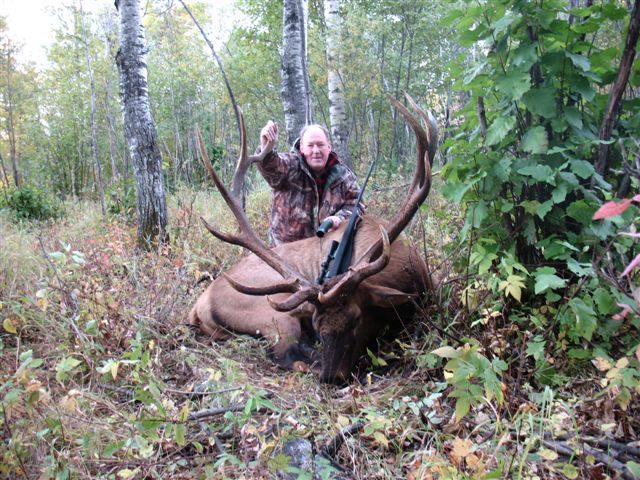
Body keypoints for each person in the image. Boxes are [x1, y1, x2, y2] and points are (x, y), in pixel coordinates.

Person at [257, 121, 361, 245]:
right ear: (301, 148)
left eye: (320, 145)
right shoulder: (289, 167)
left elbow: (357, 205)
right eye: (310, 145)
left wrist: (339, 218)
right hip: (286, 254)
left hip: (327, 253)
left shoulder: (344, 176)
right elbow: (271, 166)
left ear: (329, 146)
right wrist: (266, 146)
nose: (316, 151)